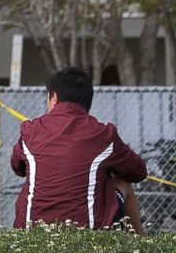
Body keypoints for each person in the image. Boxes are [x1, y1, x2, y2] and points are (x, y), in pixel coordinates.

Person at [11, 66, 146, 233]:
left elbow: (17, 167)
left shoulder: (30, 130)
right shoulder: (104, 134)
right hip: (86, 235)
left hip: (31, 233)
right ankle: (142, 246)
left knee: (33, 180)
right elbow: (139, 172)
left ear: (53, 98)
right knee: (123, 183)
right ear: (88, 101)